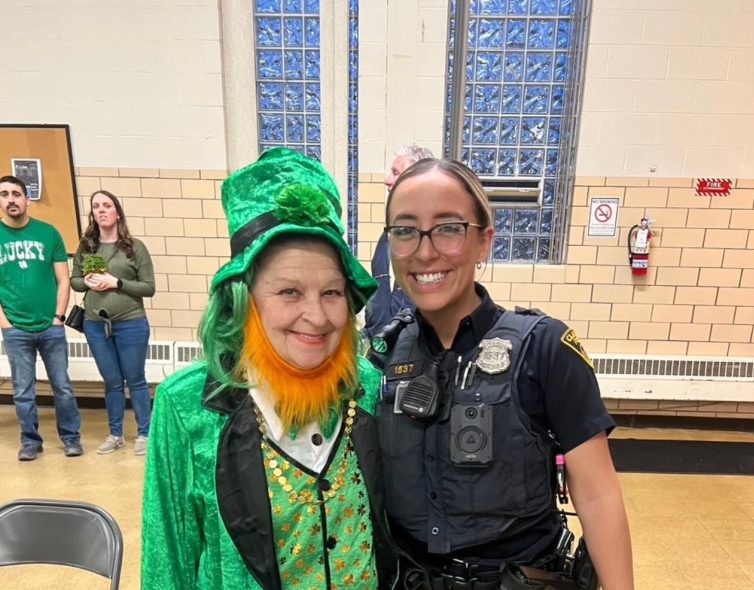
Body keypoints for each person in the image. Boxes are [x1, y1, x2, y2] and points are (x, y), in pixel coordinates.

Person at [141, 148, 398, 589]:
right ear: (245, 300)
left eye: (333, 292)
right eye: (289, 292)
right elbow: (168, 563)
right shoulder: (186, 407)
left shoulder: (367, 386)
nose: (317, 317)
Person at [376, 159, 634, 589]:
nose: (424, 251)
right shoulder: (380, 358)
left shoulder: (544, 348)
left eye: (448, 227)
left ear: (484, 242)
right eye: (405, 230)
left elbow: (598, 494)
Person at [0, 175, 83, 461]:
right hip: (15, 328)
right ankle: (31, 441)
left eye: (15, 194)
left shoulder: (49, 233)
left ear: (27, 199)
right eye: (4, 194)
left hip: (51, 327)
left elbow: (64, 279)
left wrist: (58, 317)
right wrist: (5, 323)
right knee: (23, 391)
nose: (10, 199)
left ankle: (71, 437)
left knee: (62, 387)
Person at [70, 190, 155, 455]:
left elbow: (149, 287)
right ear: (92, 214)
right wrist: (89, 282)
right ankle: (115, 433)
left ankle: (144, 433)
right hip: (96, 324)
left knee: (136, 379)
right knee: (112, 381)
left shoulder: (135, 247)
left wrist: (116, 282)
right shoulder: (87, 247)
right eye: (96, 206)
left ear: (117, 212)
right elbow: (74, 280)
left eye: (107, 205)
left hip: (130, 322)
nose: (101, 210)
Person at [364, 145, 434, 342]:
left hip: (413, 352)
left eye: (396, 173)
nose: (387, 180)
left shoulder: (433, 237)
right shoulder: (387, 234)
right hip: (378, 347)